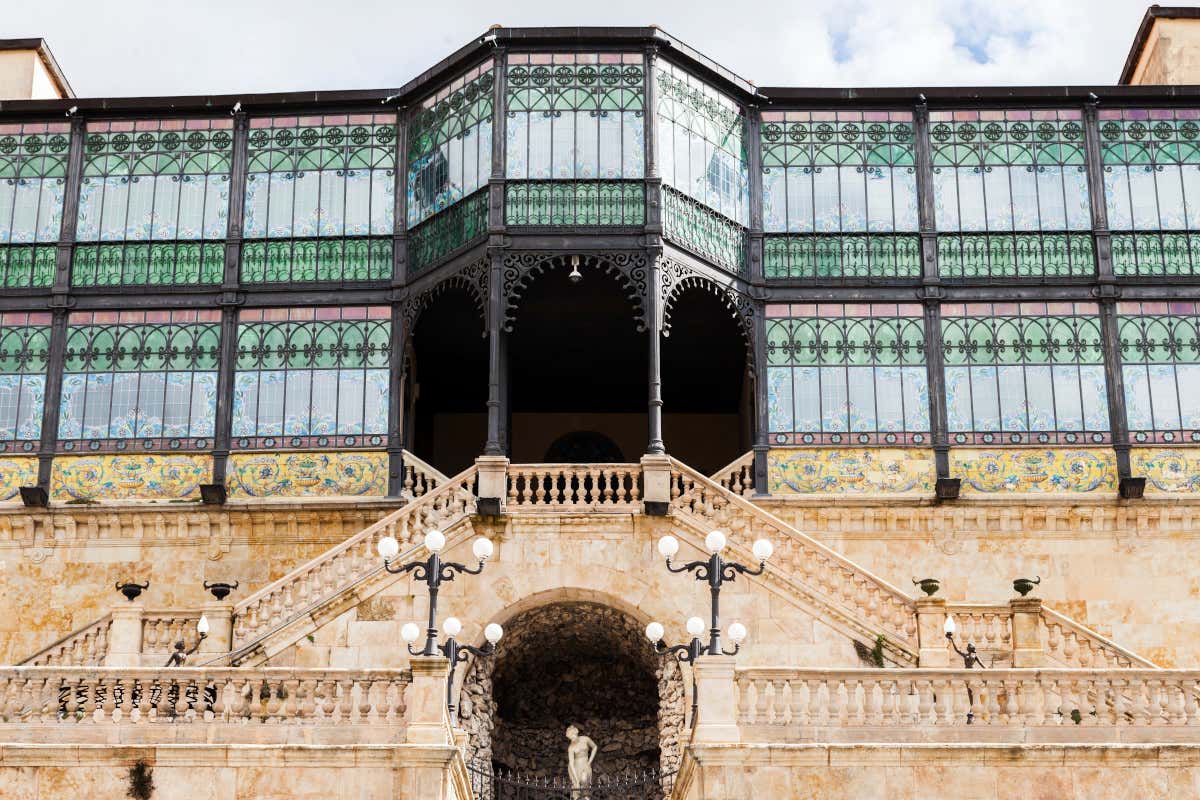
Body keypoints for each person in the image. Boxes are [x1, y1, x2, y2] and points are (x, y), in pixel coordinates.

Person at [565, 724, 597, 795]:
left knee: (584, 780)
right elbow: (571, 763)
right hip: (576, 766)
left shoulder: (585, 739)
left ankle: (586, 797)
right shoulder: (571, 747)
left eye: (572, 736)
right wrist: (576, 779)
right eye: (570, 738)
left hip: (585, 764)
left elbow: (594, 747)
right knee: (577, 787)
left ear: (576, 733)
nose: (572, 739)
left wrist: (589, 762)